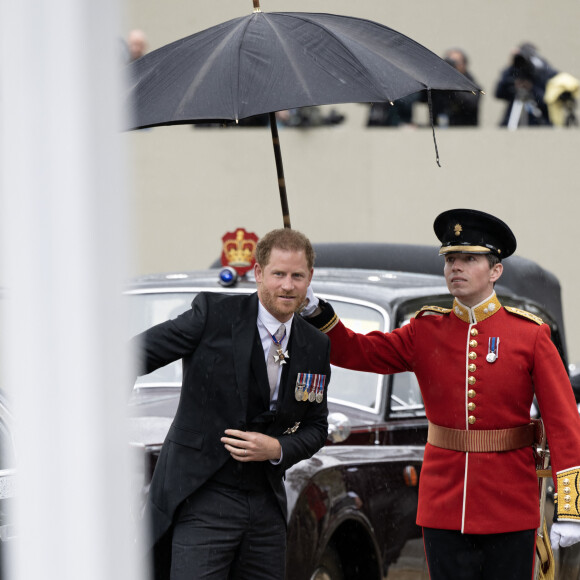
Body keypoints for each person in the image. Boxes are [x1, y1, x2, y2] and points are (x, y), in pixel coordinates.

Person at [301, 209, 580, 580]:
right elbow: (359, 351)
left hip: (510, 504)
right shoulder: (425, 329)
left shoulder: (530, 334)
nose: (456, 268)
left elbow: (563, 423)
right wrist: (318, 313)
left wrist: (569, 509)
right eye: (450, 259)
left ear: (495, 270)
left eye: (469, 259)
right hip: (443, 503)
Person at [131, 228, 331, 580]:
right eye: (278, 275)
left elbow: (316, 426)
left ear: (309, 278)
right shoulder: (213, 315)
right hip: (202, 495)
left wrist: (277, 447)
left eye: (297, 276)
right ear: (258, 273)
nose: (287, 286)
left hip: (266, 504)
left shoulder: (315, 344)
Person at [494, 42, 558, 128]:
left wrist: (532, 88)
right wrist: (511, 66)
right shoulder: (513, 70)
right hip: (514, 117)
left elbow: (547, 101)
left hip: (537, 122)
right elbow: (499, 93)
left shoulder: (543, 71)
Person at [430, 48, 481, 127]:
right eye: (448, 63)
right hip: (439, 129)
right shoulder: (437, 83)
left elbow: (470, 103)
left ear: (463, 65)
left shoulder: (471, 84)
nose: (451, 66)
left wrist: (452, 82)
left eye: (455, 62)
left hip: (464, 130)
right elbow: (421, 97)